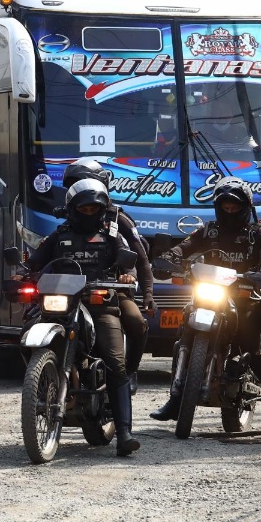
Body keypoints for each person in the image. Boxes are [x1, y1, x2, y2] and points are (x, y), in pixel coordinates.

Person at [149, 177, 261, 427]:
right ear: (218, 207)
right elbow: (185, 246)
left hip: (243, 298)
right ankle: (175, 399)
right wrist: (170, 257)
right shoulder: (207, 230)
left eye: (235, 207)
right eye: (225, 207)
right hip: (208, 294)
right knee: (184, 336)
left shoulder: (258, 234)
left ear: (245, 207)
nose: (230, 211)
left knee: (252, 347)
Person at [22, 177, 141, 456]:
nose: (89, 214)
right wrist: (22, 271)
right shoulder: (58, 236)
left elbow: (131, 263)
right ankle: (40, 386)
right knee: (26, 331)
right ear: (73, 209)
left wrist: (127, 275)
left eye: (93, 210)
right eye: (83, 209)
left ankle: (124, 432)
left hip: (100, 306)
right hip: (61, 306)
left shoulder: (112, 235)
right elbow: (35, 261)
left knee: (115, 362)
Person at [59, 158, 155, 394]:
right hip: (72, 291)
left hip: (110, 289)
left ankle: (128, 371)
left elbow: (140, 258)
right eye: (75, 185)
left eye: (85, 182)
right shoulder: (68, 219)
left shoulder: (117, 219)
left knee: (136, 321)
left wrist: (146, 292)